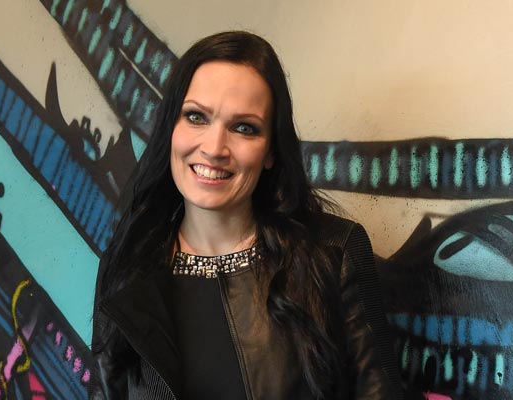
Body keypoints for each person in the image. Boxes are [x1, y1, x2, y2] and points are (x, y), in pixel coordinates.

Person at [90, 31, 403, 399]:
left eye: (243, 128)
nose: (214, 148)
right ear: (171, 129)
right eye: (196, 117)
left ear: (271, 150)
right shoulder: (128, 266)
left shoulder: (333, 253)